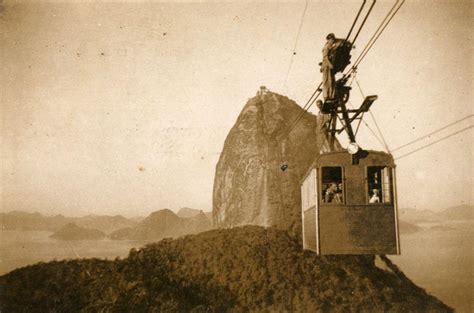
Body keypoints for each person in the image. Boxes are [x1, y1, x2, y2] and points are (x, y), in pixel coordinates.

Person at [321, 33, 336, 101]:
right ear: (328, 40)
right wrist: (330, 64)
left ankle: (331, 95)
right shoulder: (326, 47)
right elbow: (325, 57)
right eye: (331, 39)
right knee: (327, 81)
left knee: (331, 80)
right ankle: (326, 96)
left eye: (333, 39)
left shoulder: (331, 47)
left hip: (329, 66)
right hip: (327, 66)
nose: (332, 41)